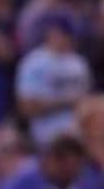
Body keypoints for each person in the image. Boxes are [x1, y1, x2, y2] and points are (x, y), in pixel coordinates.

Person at [14, 14, 92, 146]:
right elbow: (26, 107)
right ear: (51, 33)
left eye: (70, 35)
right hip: (45, 140)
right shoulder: (34, 63)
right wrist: (67, 102)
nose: (68, 39)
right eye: (64, 34)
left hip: (79, 139)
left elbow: (86, 100)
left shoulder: (79, 63)